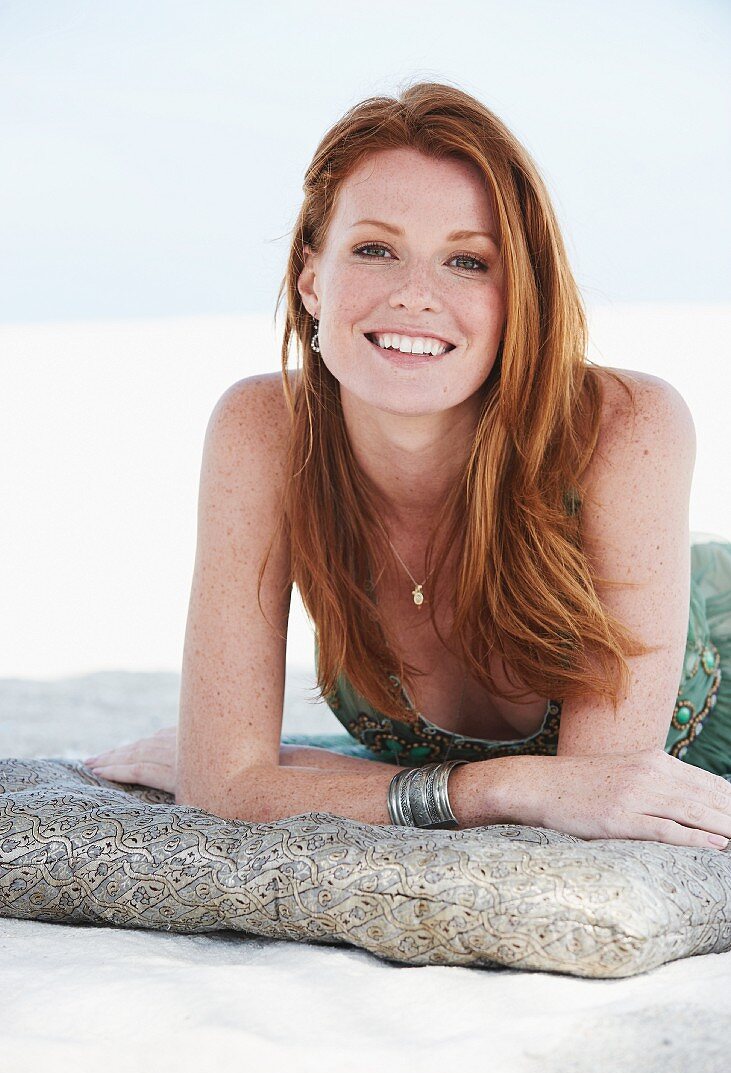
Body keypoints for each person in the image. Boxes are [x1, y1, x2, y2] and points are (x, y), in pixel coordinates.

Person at [83, 81, 731, 848]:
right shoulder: (264, 430)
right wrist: (495, 786)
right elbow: (221, 790)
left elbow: (600, 799)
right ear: (310, 277)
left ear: (519, 295)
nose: (416, 295)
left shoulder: (626, 425)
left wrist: (299, 774)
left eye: (466, 260)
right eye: (374, 250)